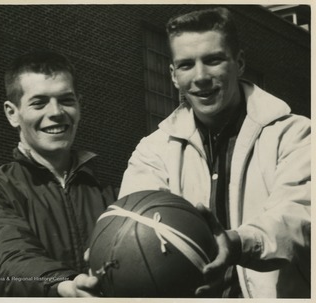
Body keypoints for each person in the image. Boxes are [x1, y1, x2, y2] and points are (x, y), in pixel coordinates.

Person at [118, 7, 310, 298]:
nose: (201, 77)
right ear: (172, 75)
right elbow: (136, 226)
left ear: (240, 62)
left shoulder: (296, 134)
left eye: (213, 60)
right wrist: (115, 249)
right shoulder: (153, 149)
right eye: (186, 65)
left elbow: (298, 217)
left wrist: (236, 243)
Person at [0, 50, 117, 297]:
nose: (56, 112)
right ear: (12, 113)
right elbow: (5, 261)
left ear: (79, 106)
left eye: (66, 100)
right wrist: (63, 285)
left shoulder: (114, 197)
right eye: (39, 102)